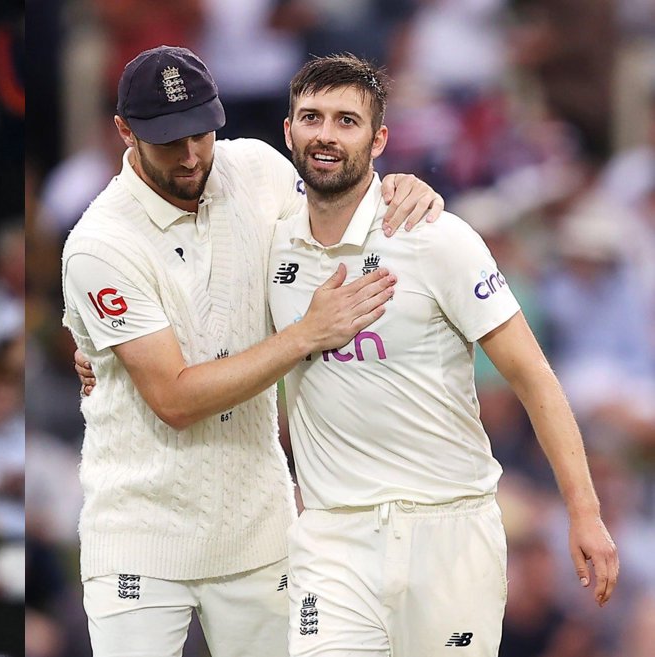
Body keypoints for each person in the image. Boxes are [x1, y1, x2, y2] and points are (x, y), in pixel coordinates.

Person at [59, 45, 440, 657]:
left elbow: (332, 227)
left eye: (202, 133)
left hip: (258, 526)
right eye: (167, 140)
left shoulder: (257, 168)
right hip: (140, 534)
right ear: (124, 132)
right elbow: (175, 398)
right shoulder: (99, 244)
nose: (191, 156)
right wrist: (305, 335)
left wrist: (393, 188)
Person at [268, 54, 616, 656]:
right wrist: (99, 360)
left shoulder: (437, 239)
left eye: (346, 121)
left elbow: (533, 376)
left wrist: (584, 511)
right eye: (312, 117)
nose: (326, 134)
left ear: (379, 140)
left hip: (449, 530)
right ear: (288, 130)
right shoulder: (268, 241)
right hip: (333, 536)